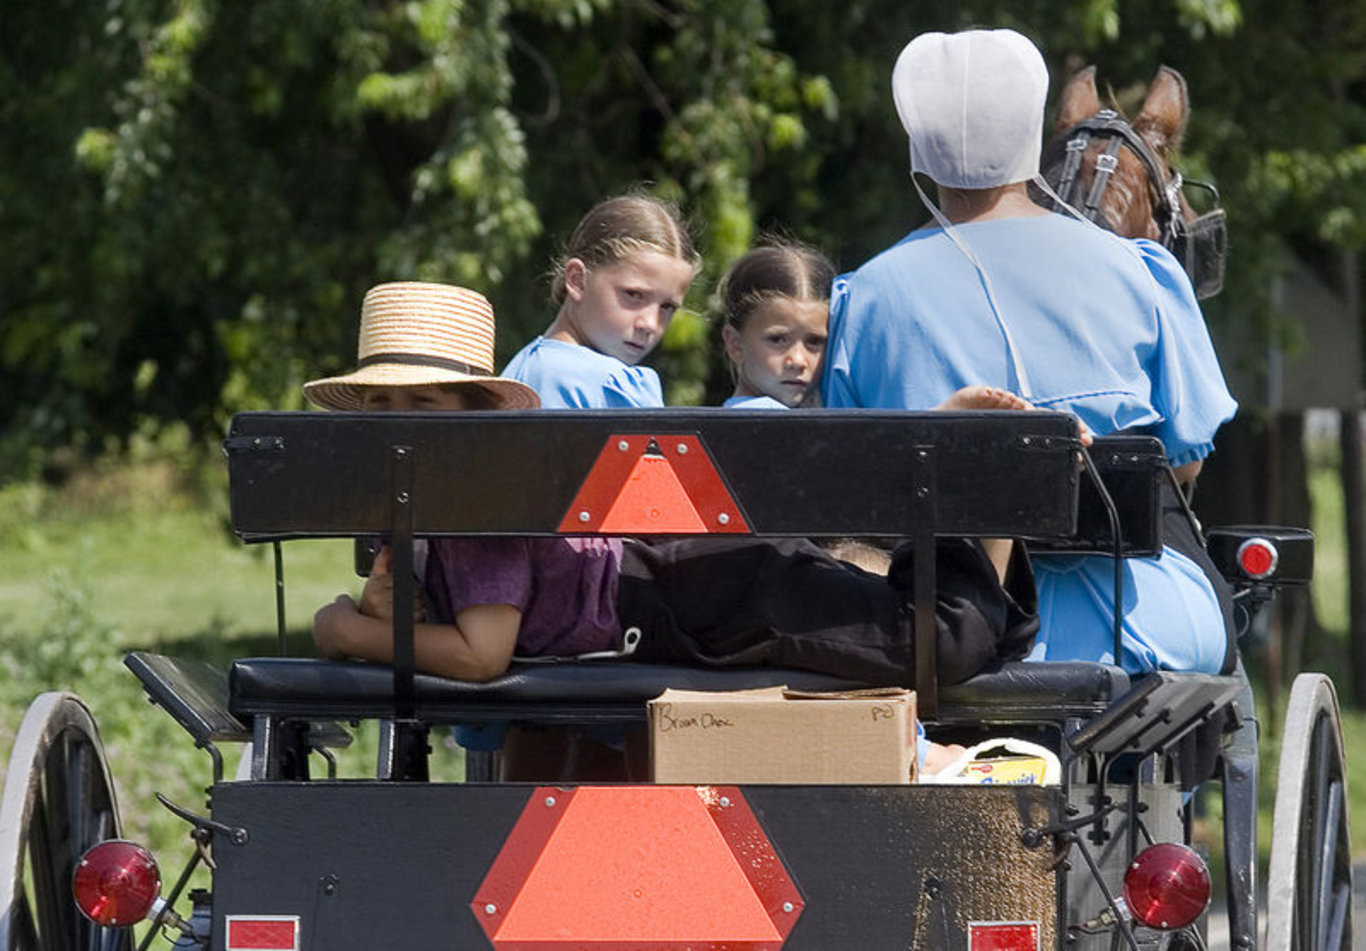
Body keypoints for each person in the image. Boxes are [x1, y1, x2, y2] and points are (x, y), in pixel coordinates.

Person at [307, 281, 1041, 775]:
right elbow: (447, 622)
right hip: (682, 586)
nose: (397, 423)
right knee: (950, 635)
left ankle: (958, 474)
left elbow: (481, 654)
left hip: (694, 602)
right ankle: (970, 500)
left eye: (424, 404)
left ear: (474, 415)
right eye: (381, 404)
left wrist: (342, 630)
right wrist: (383, 604)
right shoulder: (432, 504)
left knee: (940, 642)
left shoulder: (474, 504)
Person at [821, 28, 1239, 676]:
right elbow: (1184, 466)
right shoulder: (1140, 270)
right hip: (1129, 621)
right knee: (1222, 640)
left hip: (943, 624)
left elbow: (857, 490)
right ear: (1032, 134)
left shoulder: (866, 296)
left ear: (917, 143)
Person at [502, 193, 699, 408]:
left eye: (667, 307)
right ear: (577, 280)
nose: (650, 324)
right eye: (633, 295)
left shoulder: (519, 371)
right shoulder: (613, 386)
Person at [718, 241, 835, 409]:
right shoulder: (763, 417)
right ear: (734, 344)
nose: (798, 360)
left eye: (814, 341)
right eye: (777, 339)